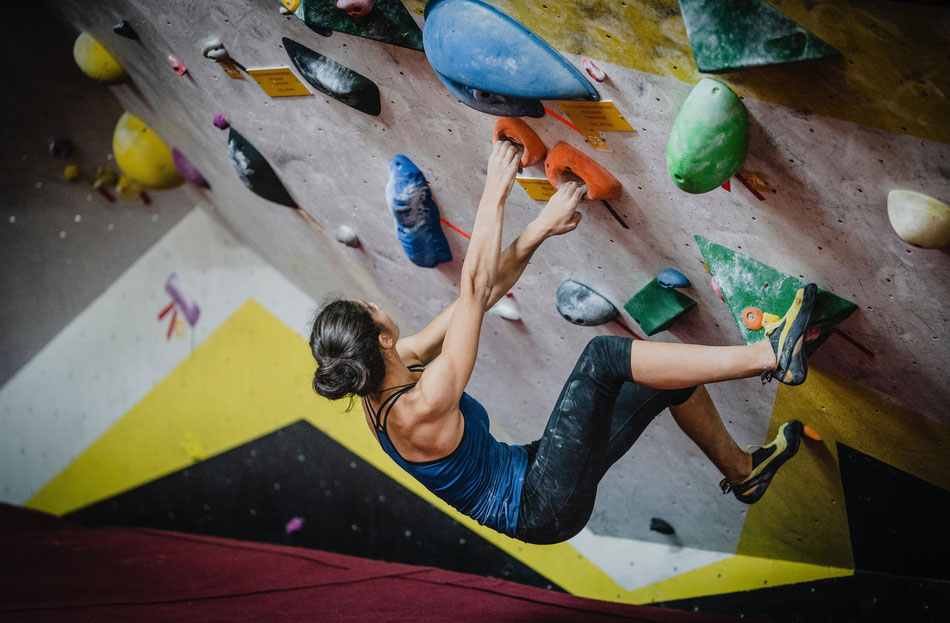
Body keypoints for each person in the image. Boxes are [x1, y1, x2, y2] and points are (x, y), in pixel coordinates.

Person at [309, 140, 816, 545]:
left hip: (535, 470)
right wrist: (495, 189)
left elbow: (480, 299)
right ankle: (771, 355)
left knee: (664, 380)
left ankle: (745, 472)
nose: (375, 304)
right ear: (379, 336)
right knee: (604, 359)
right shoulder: (419, 407)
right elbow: (473, 288)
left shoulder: (396, 365)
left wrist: (539, 232)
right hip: (541, 506)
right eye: (368, 308)